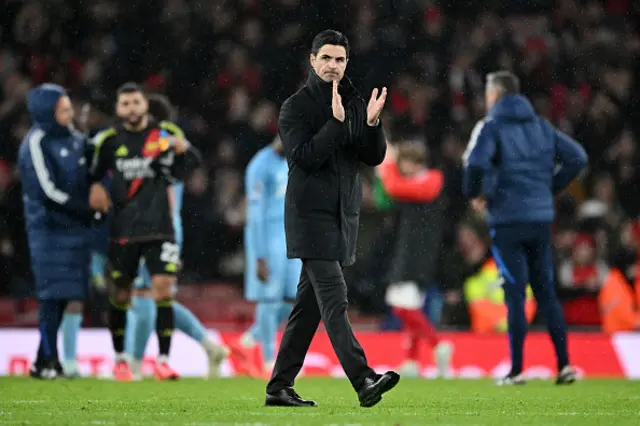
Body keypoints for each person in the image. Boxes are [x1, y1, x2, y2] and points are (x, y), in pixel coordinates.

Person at [265, 30, 399, 408]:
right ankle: (363, 378)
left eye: (339, 60)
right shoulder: (295, 107)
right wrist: (336, 124)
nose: (333, 66)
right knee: (335, 298)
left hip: (342, 218)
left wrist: (372, 125)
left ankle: (279, 387)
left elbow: (370, 158)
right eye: (326, 58)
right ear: (312, 60)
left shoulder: (355, 103)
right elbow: (304, 158)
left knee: (307, 311)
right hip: (309, 219)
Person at [462, 70, 588, 385]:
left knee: (515, 292)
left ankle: (516, 370)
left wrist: (475, 192)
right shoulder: (541, 126)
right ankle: (564, 366)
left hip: (507, 220)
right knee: (546, 292)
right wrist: (549, 188)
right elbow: (578, 158)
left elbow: (476, 163)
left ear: (495, 95)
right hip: (541, 219)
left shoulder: (492, 127)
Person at [89, 82, 201, 381]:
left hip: (160, 228)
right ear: (118, 109)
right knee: (122, 296)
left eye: (136, 102)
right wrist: (97, 187)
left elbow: (193, 161)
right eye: (125, 103)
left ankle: (163, 361)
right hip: (124, 230)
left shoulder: (164, 133)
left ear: (145, 105)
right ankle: (121, 360)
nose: (132, 108)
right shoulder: (109, 140)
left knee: (162, 289)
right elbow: (93, 172)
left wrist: (184, 150)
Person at [122, 94, 228, 379]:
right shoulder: (174, 141)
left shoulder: (155, 143)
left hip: (154, 228)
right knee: (160, 297)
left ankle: (132, 364)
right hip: (170, 228)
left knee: (143, 295)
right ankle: (208, 345)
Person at [19, 84, 106, 379]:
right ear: (47, 112)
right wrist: (85, 207)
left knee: (68, 295)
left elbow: (92, 171)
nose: (69, 114)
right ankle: (49, 359)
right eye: (63, 109)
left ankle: (46, 359)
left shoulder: (77, 140)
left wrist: (98, 190)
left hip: (76, 229)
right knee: (50, 296)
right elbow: (47, 191)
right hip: (48, 229)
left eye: (69, 108)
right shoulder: (36, 142)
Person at [377, 141, 452, 378]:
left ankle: (438, 344)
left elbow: (394, 187)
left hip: (419, 255)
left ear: (416, 162)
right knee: (409, 307)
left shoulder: (432, 180)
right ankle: (411, 361)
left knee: (403, 307)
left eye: (405, 162)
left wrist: (387, 164)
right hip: (408, 251)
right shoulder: (415, 181)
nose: (403, 167)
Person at [233, 136, 300, 379]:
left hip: (289, 240)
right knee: (269, 300)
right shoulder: (260, 165)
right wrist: (259, 255)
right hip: (268, 241)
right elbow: (255, 212)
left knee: (297, 298)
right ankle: (268, 361)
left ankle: (249, 340)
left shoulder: (291, 162)